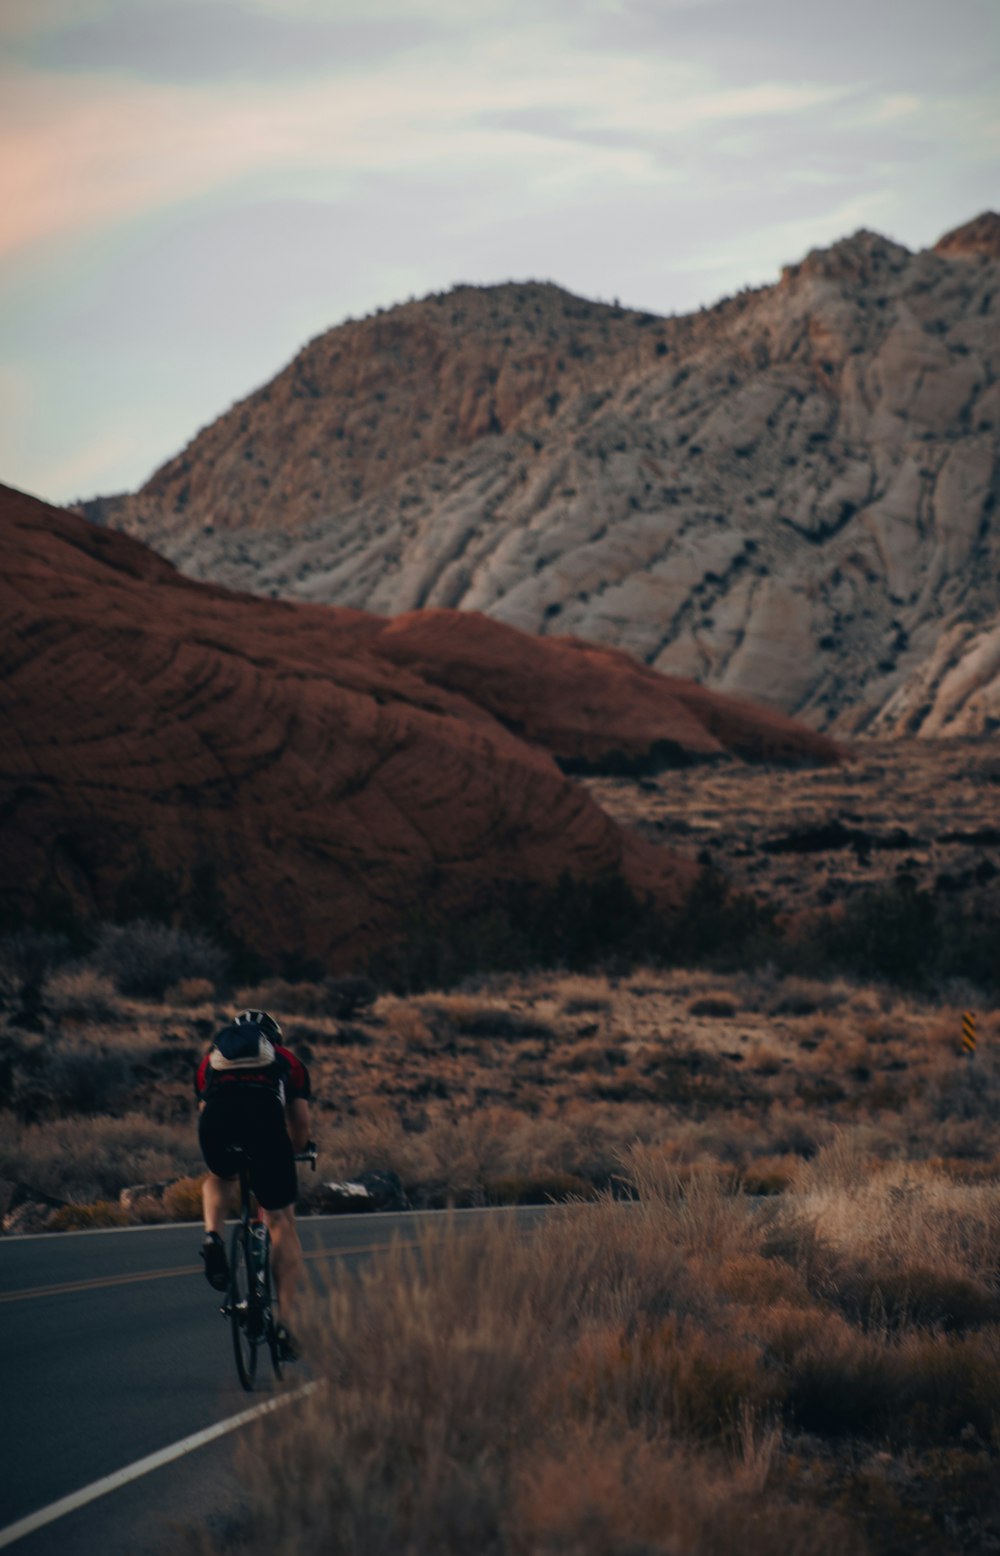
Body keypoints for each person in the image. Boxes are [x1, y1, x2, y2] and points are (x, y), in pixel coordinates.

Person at [195, 1009, 312, 1360]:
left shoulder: (211, 1060)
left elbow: (206, 1109)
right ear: (272, 1038)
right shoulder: (286, 1059)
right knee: (280, 1221)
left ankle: (212, 1236)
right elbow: (300, 1122)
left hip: (217, 1126)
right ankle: (286, 1323)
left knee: (220, 1177)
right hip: (264, 1126)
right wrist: (296, 1150)